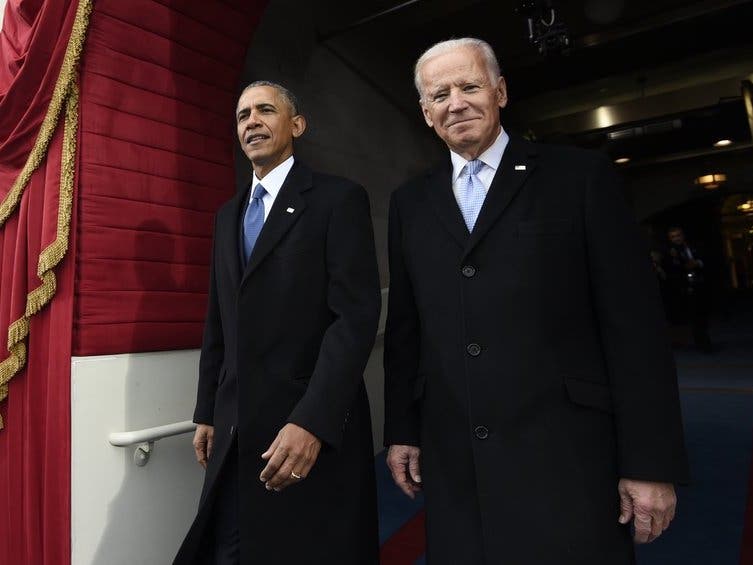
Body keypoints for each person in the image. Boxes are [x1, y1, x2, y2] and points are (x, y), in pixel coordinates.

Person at [383, 38, 689, 565]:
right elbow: (408, 328)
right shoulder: (409, 203)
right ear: (425, 112)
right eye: (440, 94)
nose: (455, 102)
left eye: (469, 86)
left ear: (500, 91)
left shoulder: (580, 178)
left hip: (568, 459)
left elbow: (634, 328)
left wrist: (649, 462)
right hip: (459, 467)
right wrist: (401, 430)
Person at [174, 81, 381, 565]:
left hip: (309, 429)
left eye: (265, 110)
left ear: (297, 125)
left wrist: (311, 420)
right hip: (236, 429)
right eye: (243, 114)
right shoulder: (227, 216)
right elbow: (218, 321)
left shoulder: (337, 200)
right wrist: (207, 408)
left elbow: (354, 319)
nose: (252, 122)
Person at [665, 226, 712, 351]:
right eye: (673, 237)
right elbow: (672, 270)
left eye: (678, 235)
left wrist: (697, 263)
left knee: (702, 314)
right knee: (694, 316)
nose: (676, 239)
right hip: (685, 288)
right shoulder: (671, 252)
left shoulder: (693, 246)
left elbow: (705, 259)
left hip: (700, 284)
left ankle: (704, 339)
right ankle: (702, 343)